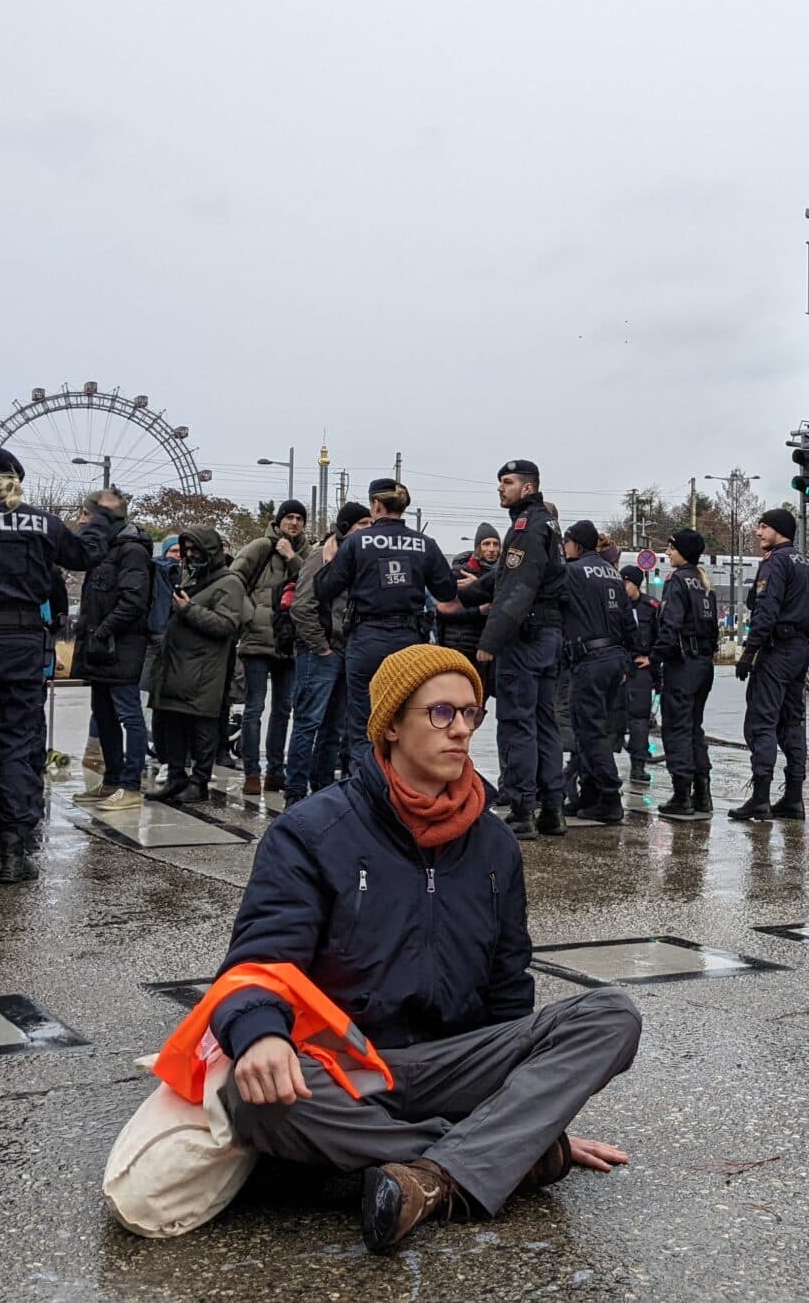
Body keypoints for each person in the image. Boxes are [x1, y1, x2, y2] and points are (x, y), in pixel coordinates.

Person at [206, 645, 638, 1253]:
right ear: (389, 724)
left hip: (455, 1064)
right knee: (253, 1100)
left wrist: (542, 1109)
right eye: (441, 713)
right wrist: (261, 1035)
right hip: (347, 1067)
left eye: (471, 713)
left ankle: (424, 1173)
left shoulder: (493, 845)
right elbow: (259, 960)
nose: (461, 729)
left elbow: (509, 990)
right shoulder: (312, 832)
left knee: (611, 1014)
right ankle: (484, 1159)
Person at [0, 446, 120, 889]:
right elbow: (84, 554)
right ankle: (15, 855)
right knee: (17, 746)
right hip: (24, 646)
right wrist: (104, 516)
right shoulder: (43, 522)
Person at [316, 480, 461, 775]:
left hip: (367, 639)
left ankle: (364, 795)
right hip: (409, 643)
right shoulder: (425, 544)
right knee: (406, 719)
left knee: (362, 725)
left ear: (376, 506)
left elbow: (325, 589)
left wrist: (330, 561)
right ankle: (403, 787)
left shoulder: (358, 543)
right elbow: (446, 591)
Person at [457, 460, 567, 841]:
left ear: (528, 487)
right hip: (548, 635)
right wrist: (464, 590)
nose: (500, 489)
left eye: (507, 482)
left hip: (526, 637)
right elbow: (503, 577)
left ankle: (522, 809)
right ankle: (553, 809)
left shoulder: (526, 527)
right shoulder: (545, 524)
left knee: (517, 723)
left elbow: (517, 589)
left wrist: (490, 641)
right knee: (543, 723)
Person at [147, 526, 252, 804]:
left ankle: (200, 781)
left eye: (196, 550)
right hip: (178, 662)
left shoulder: (229, 582)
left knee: (202, 726)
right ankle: (176, 777)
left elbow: (227, 624)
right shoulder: (190, 575)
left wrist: (190, 610)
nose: (191, 555)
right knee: (174, 722)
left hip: (205, 666)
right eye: (187, 550)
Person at [729, 508, 809, 822]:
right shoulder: (805, 565)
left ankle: (761, 798)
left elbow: (764, 612)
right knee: (793, 723)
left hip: (776, 651)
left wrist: (748, 653)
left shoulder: (775, 563)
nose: (757, 532)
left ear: (778, 530)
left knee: (762, 722)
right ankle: (794, 798)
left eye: (763, 527)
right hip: (800, 651)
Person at [70, 489, 153, 812]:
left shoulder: (131, 551)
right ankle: (111, 780)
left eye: (86, 514)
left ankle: (131, 786)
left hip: (121, 647)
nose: (80, 520)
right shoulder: (103, 550)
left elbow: (134, 601)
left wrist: (103, 631)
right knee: (103, 715)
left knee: (129, 715)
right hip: (100, 648)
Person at [228, 500, 310, 799]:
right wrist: (249, 615)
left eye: (299, 518)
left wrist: (292, 558)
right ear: (279, 521)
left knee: (283, 709)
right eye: (289, 517)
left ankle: (276, 771)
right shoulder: (260, 547)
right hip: (257, 639)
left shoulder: (305, 553)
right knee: (254, 707)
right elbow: (233, 579)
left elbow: (312, 584)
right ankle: (252, 771)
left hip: (289, 641)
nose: (294, 523)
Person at [557, 522, 636, 828]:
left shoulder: (573, 572)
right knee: (594, 728)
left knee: (590, 731)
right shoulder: (612, 573)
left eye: (567, 541)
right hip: (614, 658)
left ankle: (609, 798)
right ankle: (590, 796)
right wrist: (632, 655)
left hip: (590, 658)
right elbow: (629, 621)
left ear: (575, 543)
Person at [285, 501, 364, 805]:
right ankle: (295, 793)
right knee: (308, 723)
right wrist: (322, 647)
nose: (369, 531)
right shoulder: (321, 556)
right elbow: (301, 607)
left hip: (345, 652)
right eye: (363, 525)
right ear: (346, 528)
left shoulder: (356, 558)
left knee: (334, 727)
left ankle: (322, 792)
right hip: (320, 653)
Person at [654, 530, 719, 820]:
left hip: (682, 665)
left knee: (676, 728)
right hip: (704, 664)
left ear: (684, 551)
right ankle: (702, 794)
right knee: (694, 727)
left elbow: (670, 625)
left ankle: (682, 796)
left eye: (671, 547)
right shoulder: (704, 582)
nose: (667, 552)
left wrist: (657, 657)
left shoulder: (677, 580)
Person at [437, 523, 501, 697]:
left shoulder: (501, 578)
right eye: (486, 544)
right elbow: (445, 612)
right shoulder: (460, 575)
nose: (492, 549)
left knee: (479, 701)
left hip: (487, 650)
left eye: (496, 544)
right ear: (477, 547)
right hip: (460, 647)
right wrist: (478, 610)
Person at [620, 565, 659, 786]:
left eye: (627, 583)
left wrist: (653, 661)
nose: (623, 587)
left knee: (639, 720)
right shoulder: (614, 605)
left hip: (641, 669)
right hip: (619, 668)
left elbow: (660, 637)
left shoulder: (650, 607)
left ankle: (638, 765)